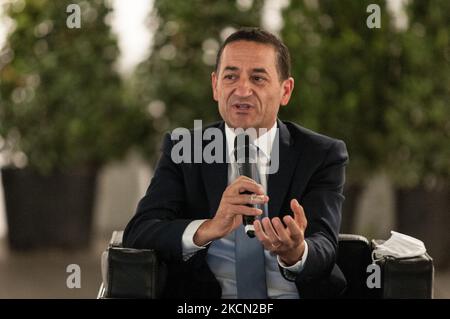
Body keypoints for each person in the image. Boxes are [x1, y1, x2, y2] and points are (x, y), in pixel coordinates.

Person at [124, 27, 348, 299]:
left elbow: (324, 243)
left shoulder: (321, 154)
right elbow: (140, 231)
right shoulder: (185, 148)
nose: (242, 90)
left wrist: (295, 252)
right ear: (216, 86)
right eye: (231, 76)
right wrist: (209, 228)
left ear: (285, 90)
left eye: (258, 78)